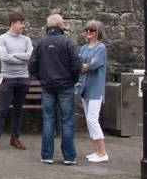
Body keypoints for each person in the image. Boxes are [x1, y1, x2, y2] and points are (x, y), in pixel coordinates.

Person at [28, 13, 82, 165]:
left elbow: (32, 65)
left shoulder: (41, 43)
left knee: (48, 120)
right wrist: (73, 79)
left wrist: (42, 78)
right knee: (67, 121)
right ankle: (69, 156)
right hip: (66, 86)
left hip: (48, 87)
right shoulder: (67, 42)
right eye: (63, 23)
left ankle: (47, 155)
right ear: (59, 25)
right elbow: (77, 65)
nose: (64, 25)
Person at [0, 12, 33, 151]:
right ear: (13, 24)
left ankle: (15, 138)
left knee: (18, 110)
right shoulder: (2, 39)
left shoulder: (26, 40)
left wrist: (15, 55)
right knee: (3, 110)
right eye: (20, 23)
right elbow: (4, 57)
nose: (23, 26)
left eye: (23, 23)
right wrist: (21, 58)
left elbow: (31, 56)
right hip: (8, 78)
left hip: (23, 78)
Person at [80, 20, 108, 162]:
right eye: (87, 30)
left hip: (96, 88)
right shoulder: (84, 48)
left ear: (98, 32)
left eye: (92, 30)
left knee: (93, 119)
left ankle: (103, 152)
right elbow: (79, 63)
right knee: (89, 120)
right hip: (85, 87)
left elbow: (94, 65)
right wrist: (84, 66)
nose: (89, 32)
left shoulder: (101, 48)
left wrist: (84, 66)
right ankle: (96, 150)